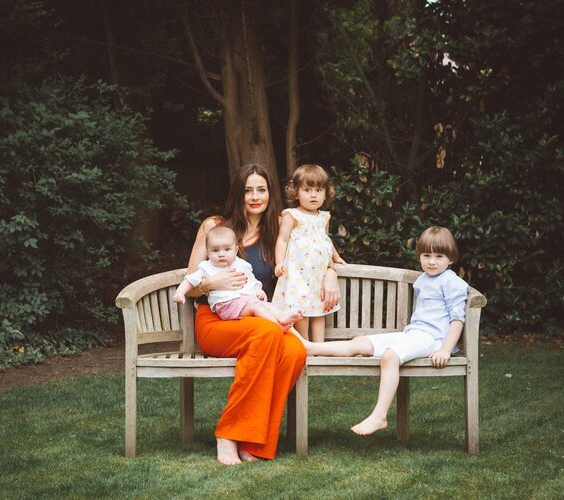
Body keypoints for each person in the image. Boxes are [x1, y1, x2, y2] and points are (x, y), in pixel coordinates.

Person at [184, 163, 341, 465]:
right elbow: (189, 284)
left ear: (270, 193)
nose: (255, 196)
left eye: (261, 189)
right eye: (248, 190)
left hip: (259, 318)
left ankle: (256, 442)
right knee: (268, 334)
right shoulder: (214, 227)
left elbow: (313, 255)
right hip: (216, 321)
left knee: (295, 349)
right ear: (238, 193)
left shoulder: (277, 232)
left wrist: (330, 272)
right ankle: (229, 434)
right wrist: (212, 281)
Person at [297, 226, 469, 436]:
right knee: (359, 342)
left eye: (439, 256)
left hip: (433, 339)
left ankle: (379, 416)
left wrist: (445, 349)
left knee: (390, 356)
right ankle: (309, 346)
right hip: (413, 334)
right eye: (426, 255)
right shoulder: (424, 279)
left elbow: (457, 319)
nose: (432, 261)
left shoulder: (453, 282)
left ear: (451, 259)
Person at [173, 226, 302, 330]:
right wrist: (180, 292)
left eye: (227, 249)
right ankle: (277, 326)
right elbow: (189, 280)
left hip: (245, 301)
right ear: (207, 252)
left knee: (264, 305)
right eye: (215, 250)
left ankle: (282, 316)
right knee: (256, 306)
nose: (221, 254)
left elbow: (252, 280)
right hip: (226, 305)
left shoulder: (241, 264)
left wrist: (258, 289)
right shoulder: (206, 267)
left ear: (235, 250)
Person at [273, 164, 346, 342]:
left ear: (325, 193)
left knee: (318, 308)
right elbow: (282, 240)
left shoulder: (324, 217)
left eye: (318, 190)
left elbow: (326, 240)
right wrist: (279, 262)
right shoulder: (292, 215)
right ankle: (304, 343)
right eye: (307, 189)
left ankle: (319, 346)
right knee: (302, 309)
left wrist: (336, 257)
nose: (313, 195)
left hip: (317, 275)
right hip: (298, 273)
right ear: (296, 192)